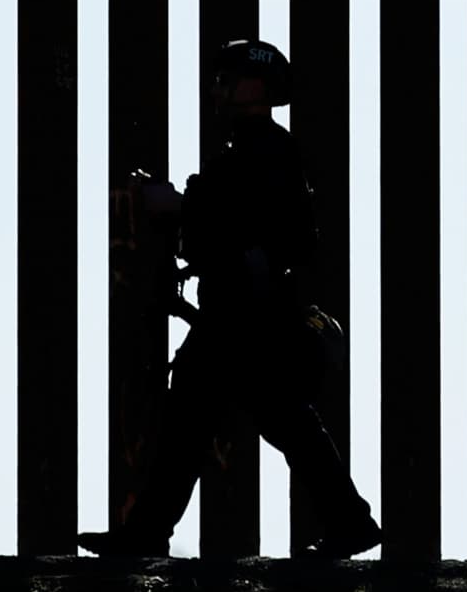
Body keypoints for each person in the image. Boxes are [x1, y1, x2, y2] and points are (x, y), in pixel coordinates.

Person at [81, 40, 382, 561]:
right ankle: (349, 521)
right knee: (241, 417)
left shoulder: (264, 150)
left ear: (258, 87)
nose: (216, 85)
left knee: (216, 419)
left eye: (228, 76)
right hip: (241, 313)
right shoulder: (251, 150)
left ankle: (148, 534)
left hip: (246, 317)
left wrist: (179, 206)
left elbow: (276, 231)